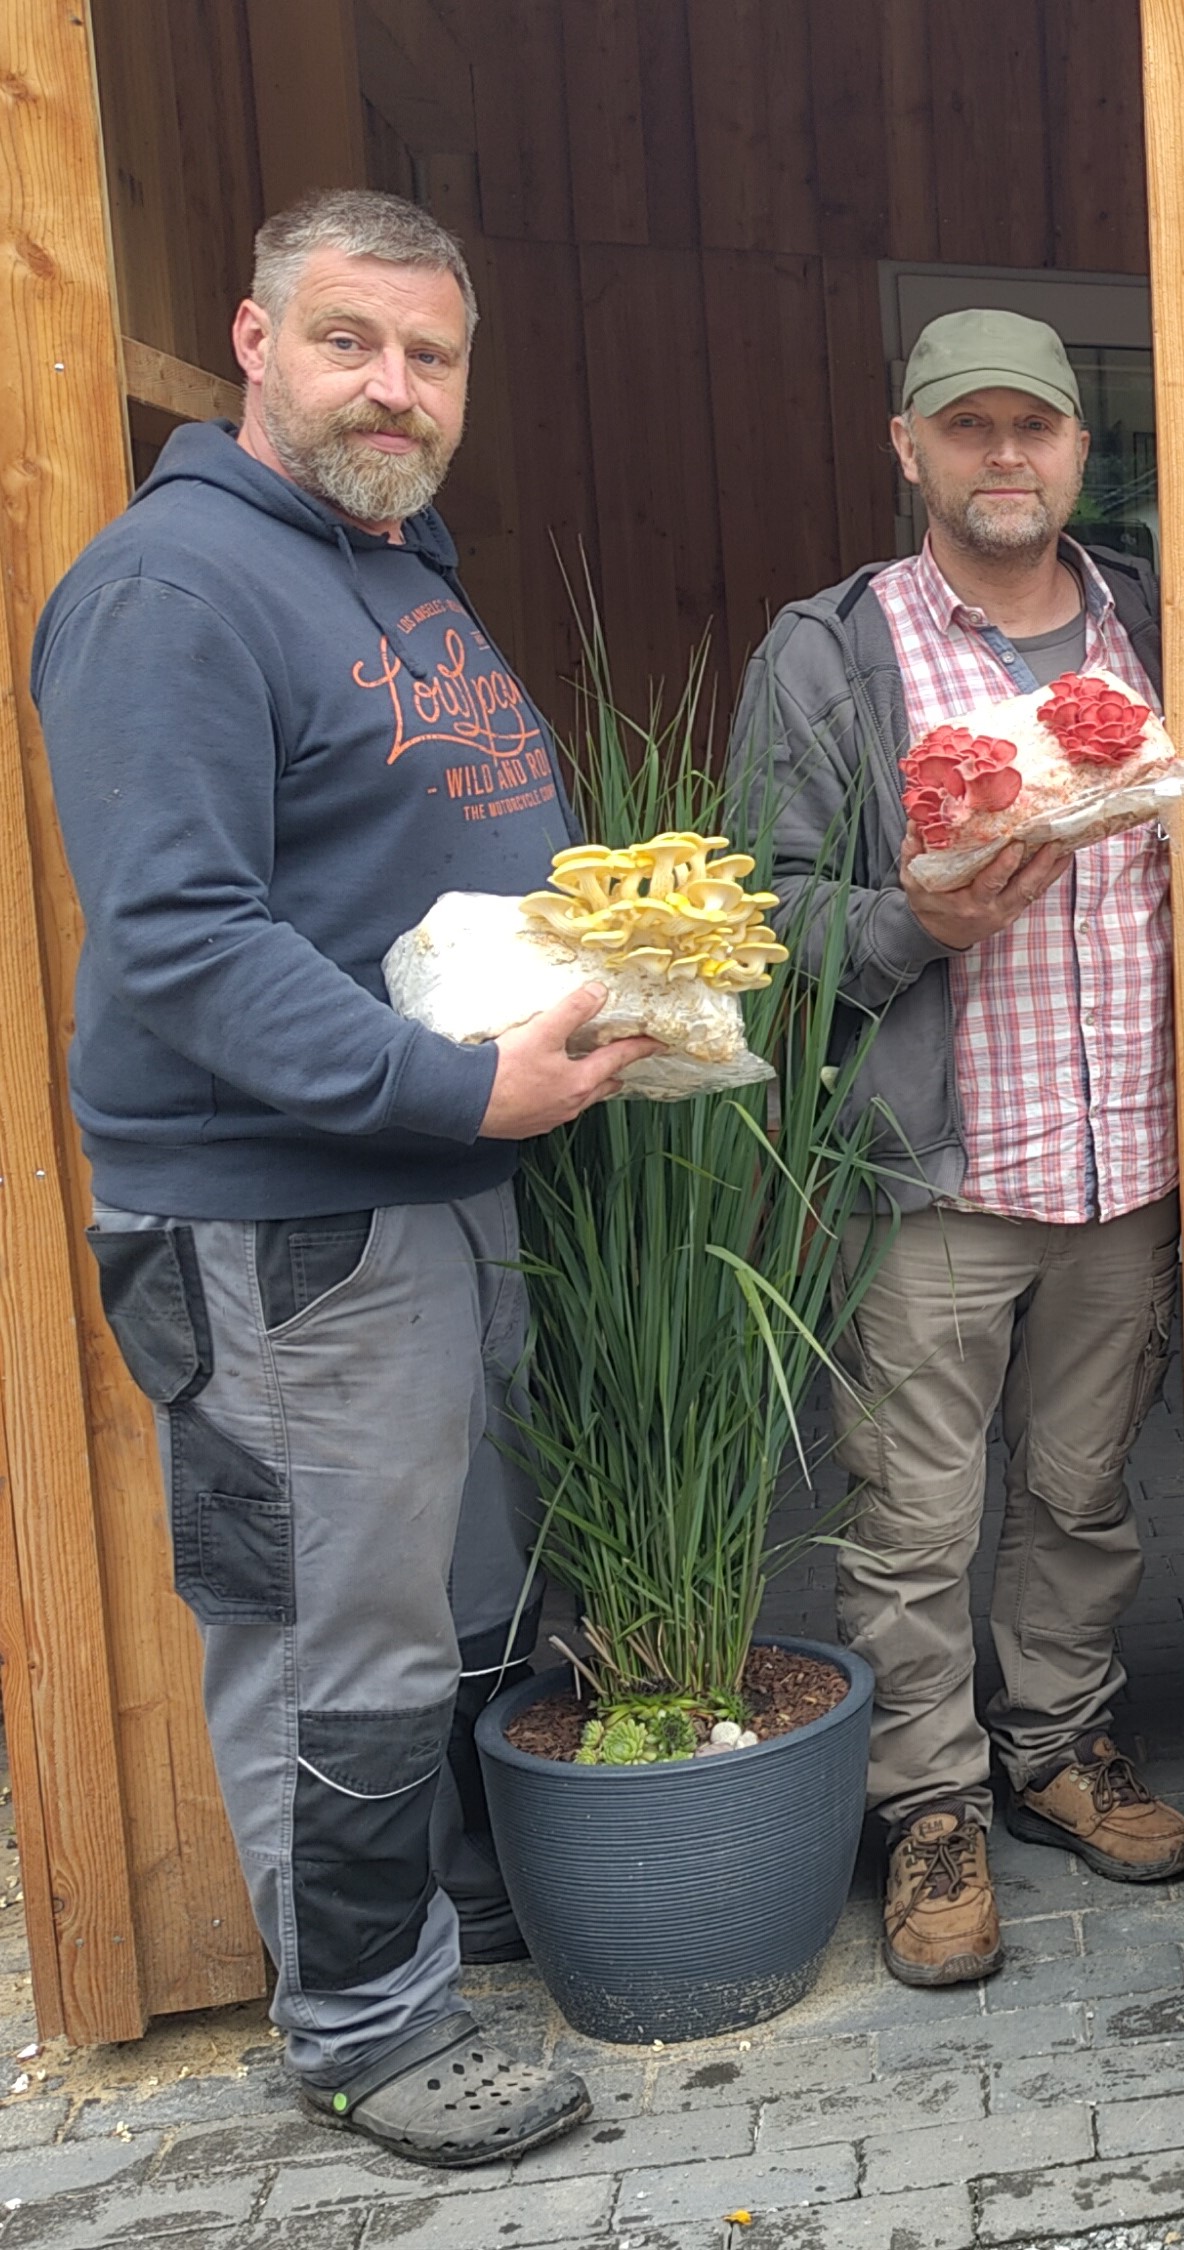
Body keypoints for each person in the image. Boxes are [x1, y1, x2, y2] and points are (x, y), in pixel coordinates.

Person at [31, 189, 630, 2165]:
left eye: (431, 354)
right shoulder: (177, 591)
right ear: (255, 342)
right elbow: (183, 942)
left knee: (437, 1603)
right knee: (329, 1633)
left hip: (424, 1175)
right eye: (353, 341)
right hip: (285, 1213)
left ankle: (430, 1938)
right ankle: (367, 2026)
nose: (395, 385)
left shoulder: (379, 569)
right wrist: (457, 1091)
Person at [731, 309, 1184, 1994]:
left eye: (1037, 428)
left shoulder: (1159, 616)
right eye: (970, 428)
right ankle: (929, 1805)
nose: (1008, 457)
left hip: (1128, 1158)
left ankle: (1059, 1741)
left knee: (1086, 1496)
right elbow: (762, 913)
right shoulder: (833, 650)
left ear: (1080, 449)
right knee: (911, 1517)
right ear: (909, 447)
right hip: (931, 1171)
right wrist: (907, 924)